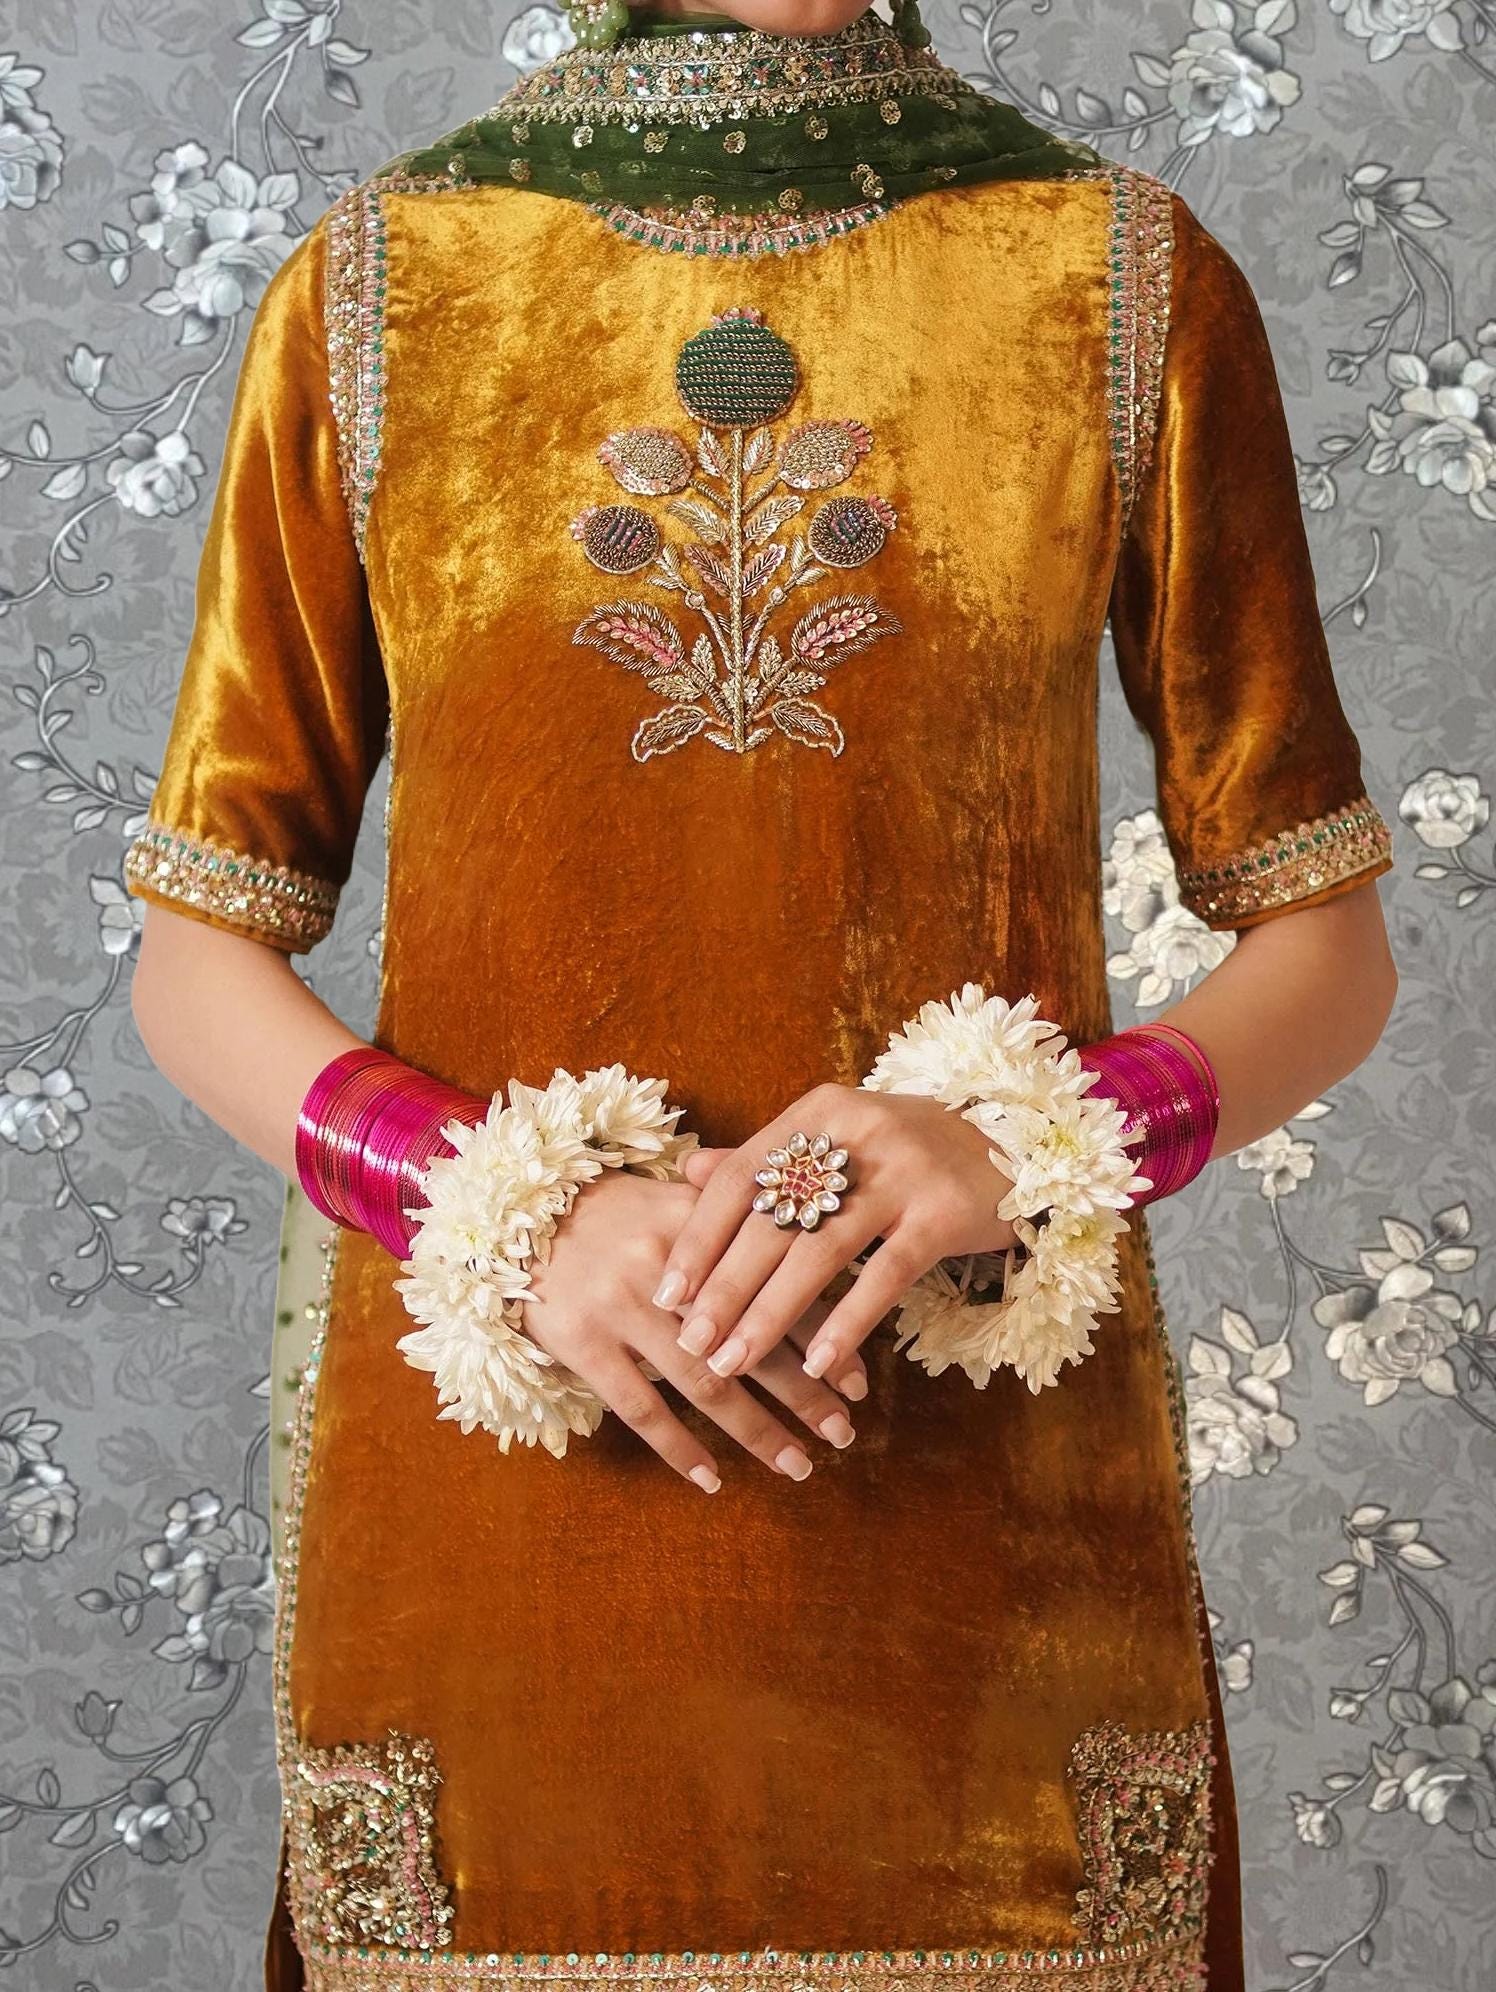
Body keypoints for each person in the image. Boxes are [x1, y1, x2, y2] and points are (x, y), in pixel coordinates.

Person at [124, 1, 1399, 1987]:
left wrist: (1019, 1140)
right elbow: (198, 950)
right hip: (506, 1514)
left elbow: (1323, 946)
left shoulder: (1115, 276)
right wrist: (502, 1207)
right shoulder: (386, 286)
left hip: (987, 1559)